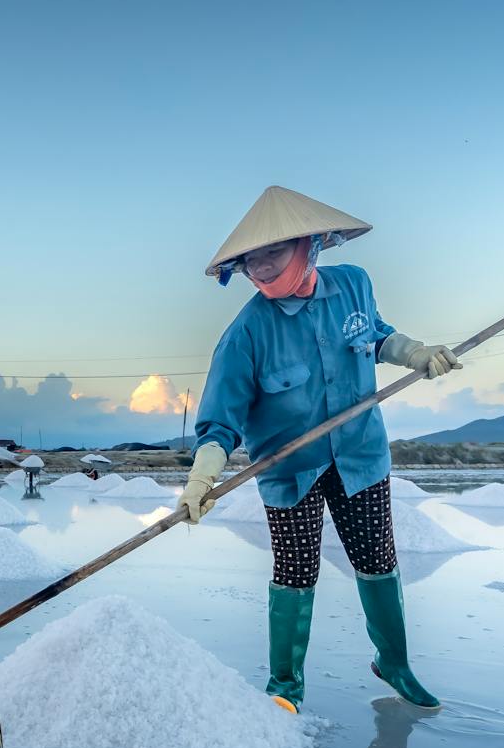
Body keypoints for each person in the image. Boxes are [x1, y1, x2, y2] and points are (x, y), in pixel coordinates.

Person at [176, 187, 460, 714]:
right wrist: (202, 478)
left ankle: (394, 663)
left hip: (360, 456)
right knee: (295, 571)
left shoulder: (354, 285)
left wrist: (417, 353)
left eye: (272, 254)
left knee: (378, 560)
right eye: (250, 261)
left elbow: (374, 336)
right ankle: (286, 686)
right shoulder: (246, 334)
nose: (259, 268)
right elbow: (221, 422)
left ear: (309, 244)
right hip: (291, 469)